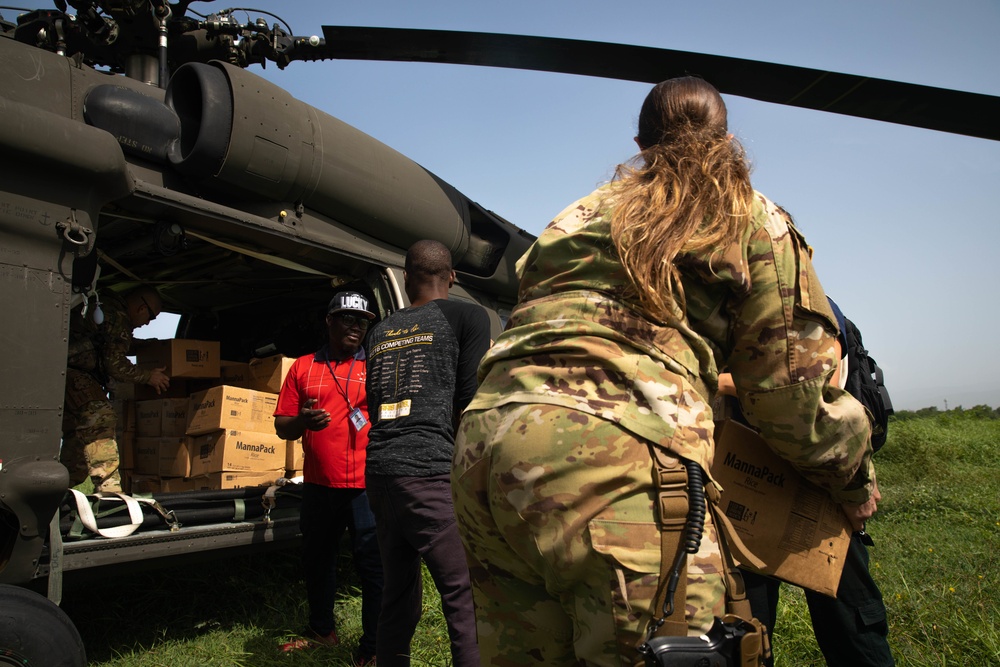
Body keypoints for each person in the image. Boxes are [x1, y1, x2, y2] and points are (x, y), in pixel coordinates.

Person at [451, 76, 877, 666]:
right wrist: (852, 481)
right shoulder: (749, 215)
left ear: (640, 144)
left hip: (484, 449)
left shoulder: (574, 217)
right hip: (616, 457)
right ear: (727, 141)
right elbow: (789, 394)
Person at [726, 297, 894, 667]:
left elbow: (817, 401)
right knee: (745, 632)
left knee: (851, 626)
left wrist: (854, 486)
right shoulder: (725, 303)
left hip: (824, 479)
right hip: (749, 478)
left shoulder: (803, 304)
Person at [364, 239, 490, 667]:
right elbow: (470, 404)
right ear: (452, 277)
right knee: (463, 595)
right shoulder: (468, 315)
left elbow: (374, 404)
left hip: (379, 474)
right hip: (428, 473)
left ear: (405, 279)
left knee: (396, 596)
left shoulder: (379, 331)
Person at [273, 290, 384, 665]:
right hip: (319, 486)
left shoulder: (377, 366)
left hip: (366, 487)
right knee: (317, 561)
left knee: (373, 566)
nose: (356, 327)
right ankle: (323, 632)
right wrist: (303, 421)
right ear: (329, 321)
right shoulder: (303, 367)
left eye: (363, 321)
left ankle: (373, 648)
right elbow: (283, 428)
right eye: (348, 319)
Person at [63, 285, 170, 493]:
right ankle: (109, 492)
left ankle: (58, 492)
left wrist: (144, 346)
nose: (147, 322)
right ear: (141, 307)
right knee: (101, 417)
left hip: (62, 372)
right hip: (73, 373)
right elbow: (114, 363)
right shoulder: (117, 314)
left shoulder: (107, 308)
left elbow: (109, 343)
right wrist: (149, 376)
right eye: (151, 317)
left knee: (76, 440)